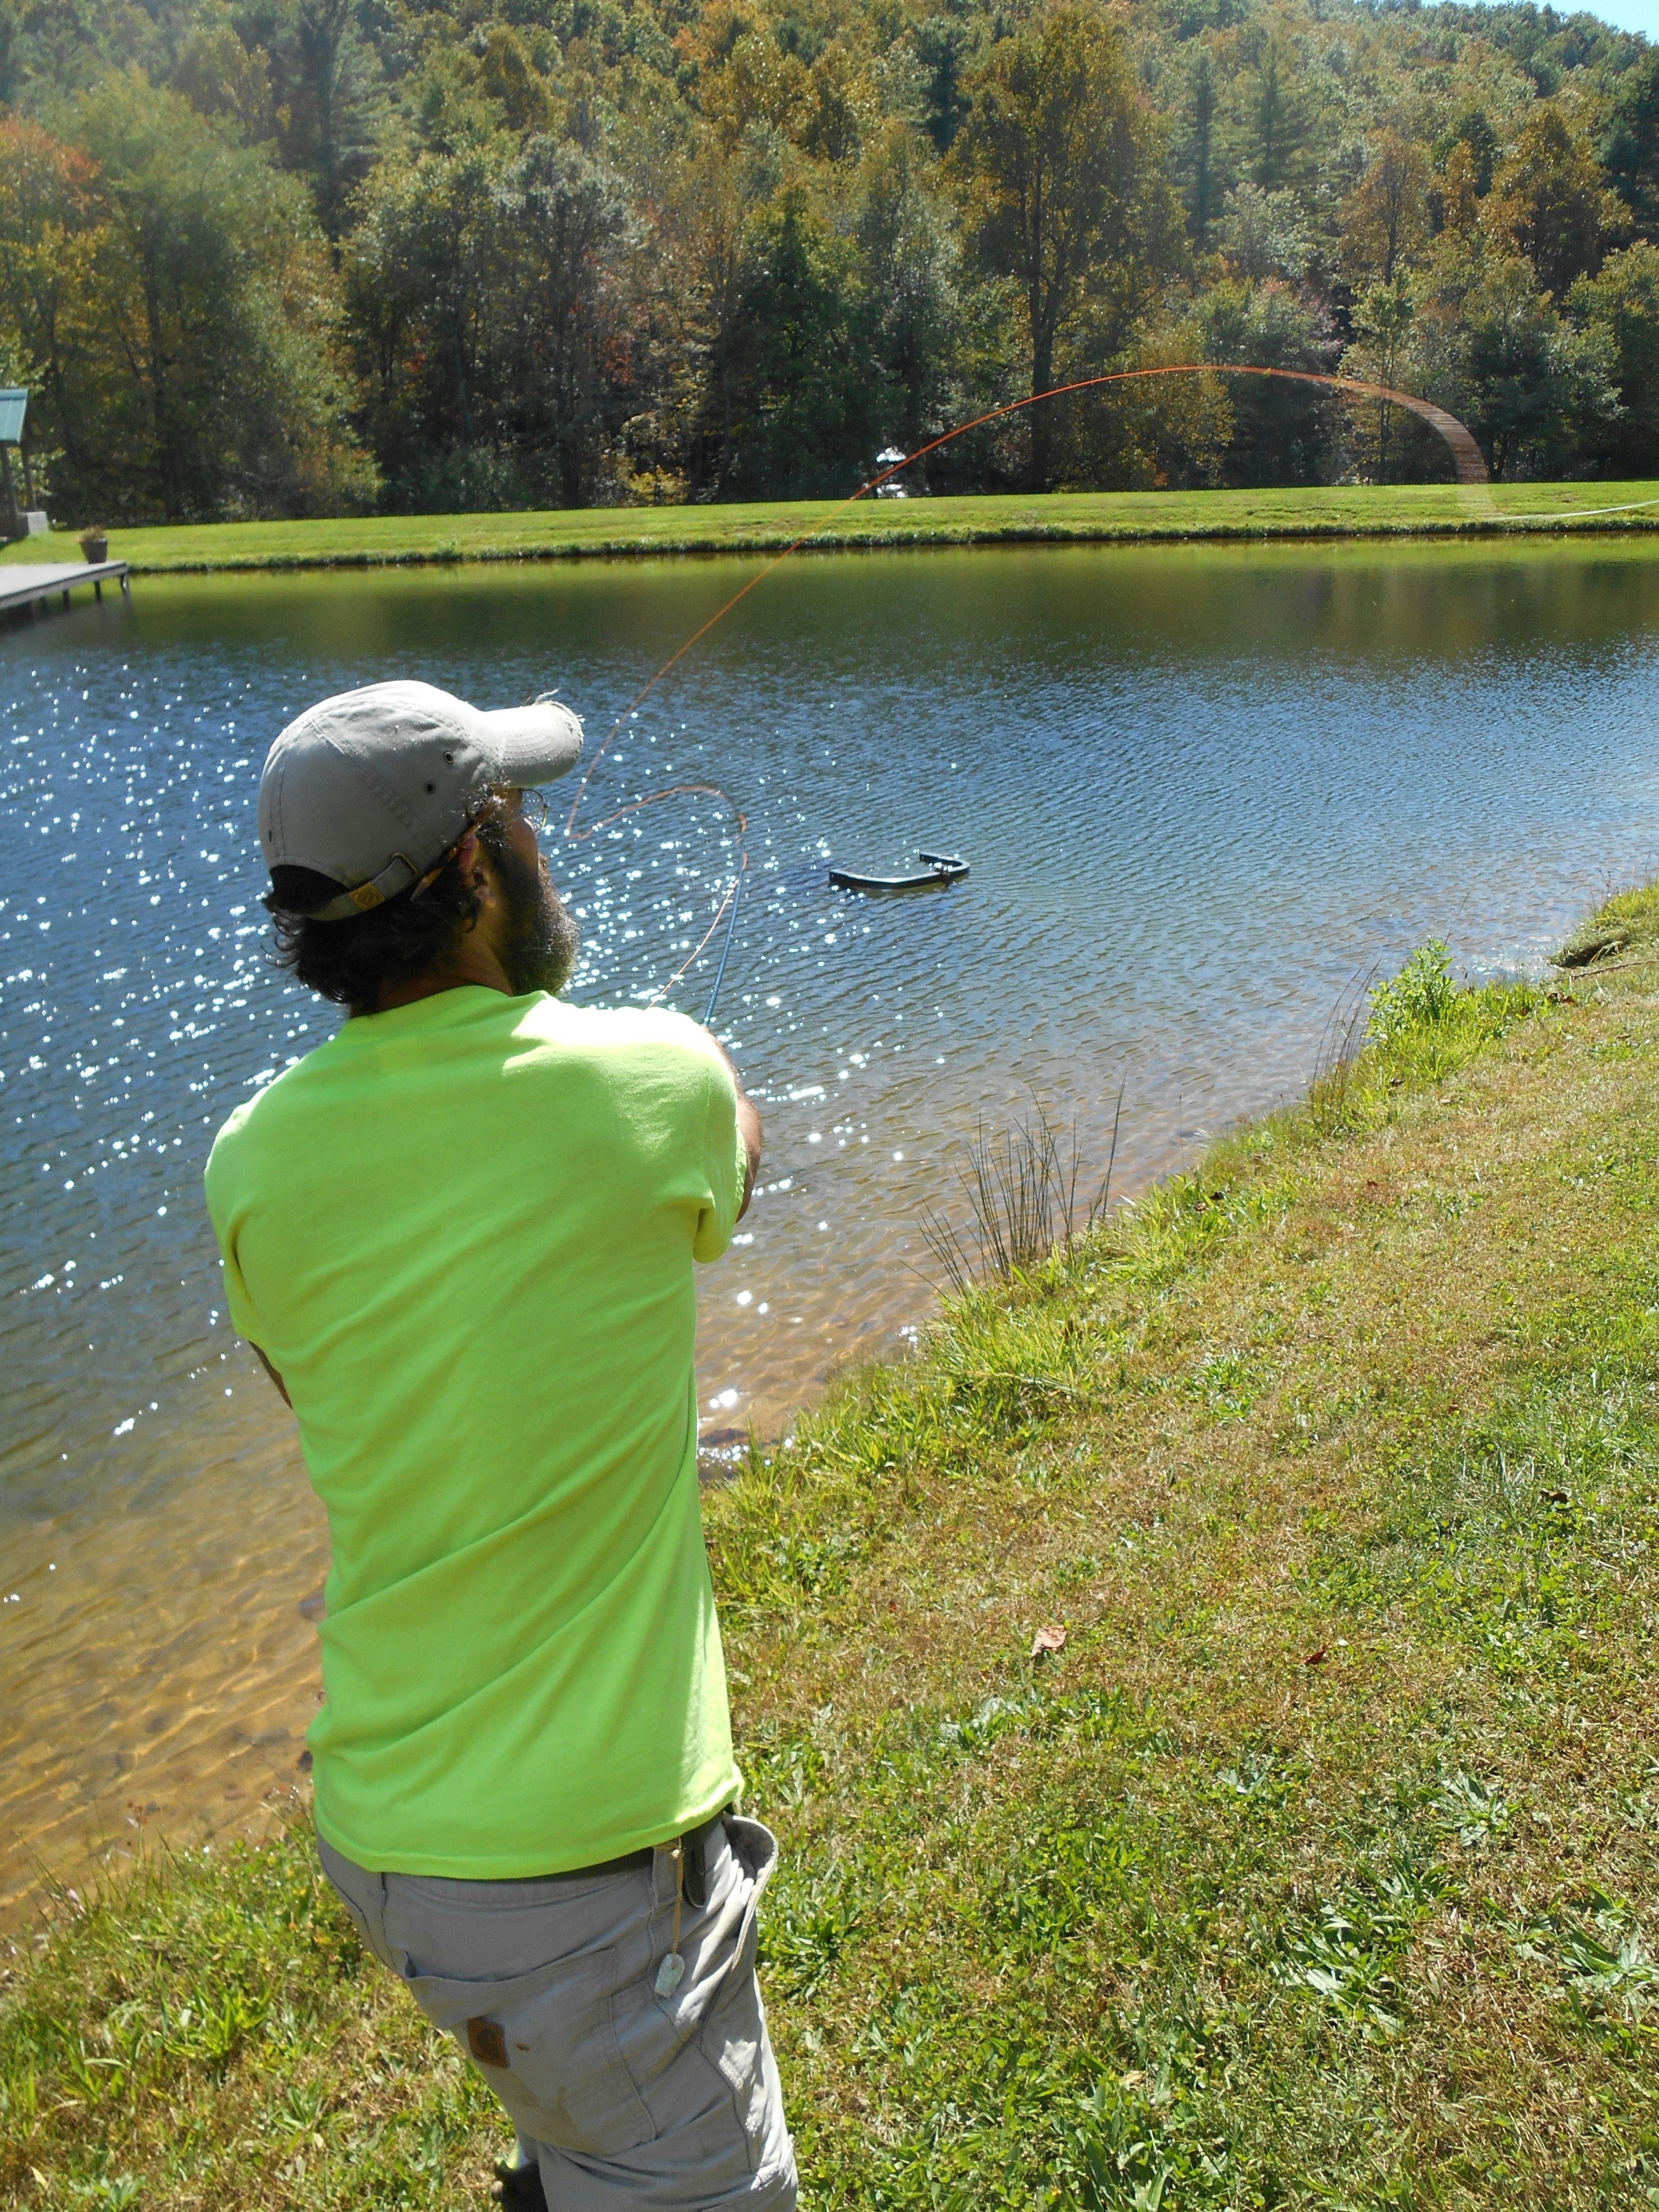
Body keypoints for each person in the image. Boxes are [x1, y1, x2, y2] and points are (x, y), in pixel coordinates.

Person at [203, 681, 794, 2212]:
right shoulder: (656, 1073)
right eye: (520, 815)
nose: (546, 843)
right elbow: (733, 1163)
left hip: (389, 1838)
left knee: (576, 2129)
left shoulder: (250, 1164)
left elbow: (314, 1382)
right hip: (573, 1876)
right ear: (473, 871)